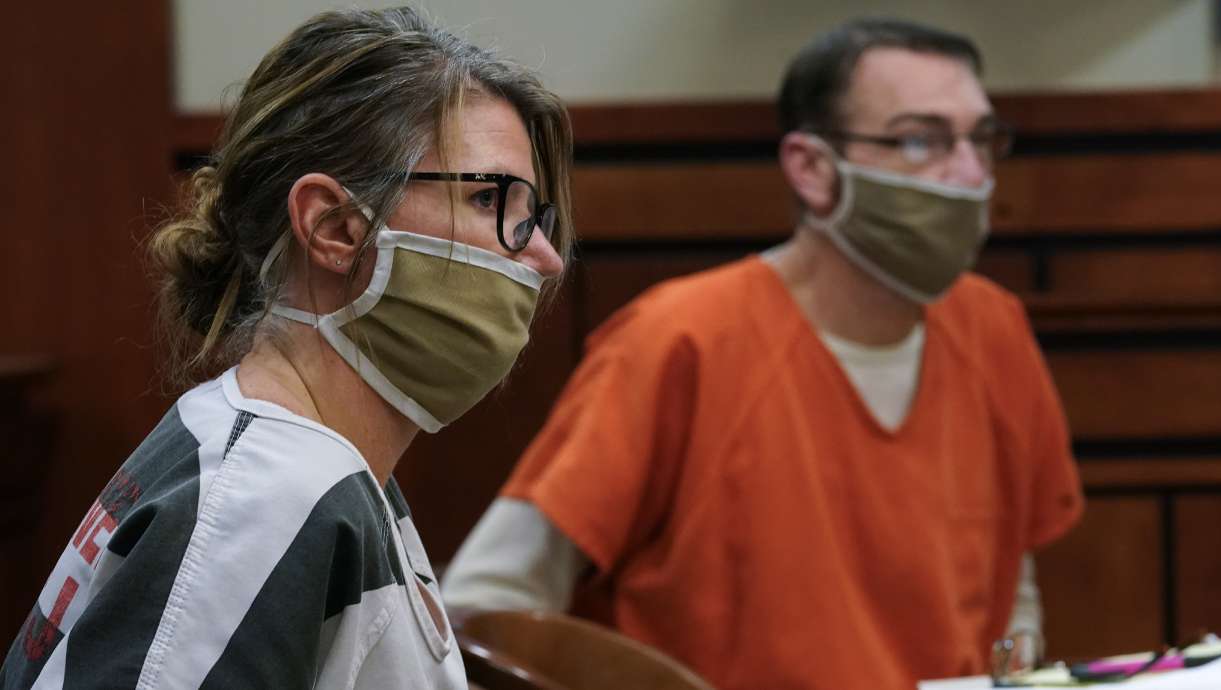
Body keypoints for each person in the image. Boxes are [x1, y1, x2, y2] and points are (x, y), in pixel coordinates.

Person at [442, 17, 1083, 690]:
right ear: (811, 167)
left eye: (981, 139)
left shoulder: (994, 329)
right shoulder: (679, 339)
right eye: (920, 140)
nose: (969, 173)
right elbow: (487, 607)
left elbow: (1016, 580)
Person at [0, 7, 572, 689]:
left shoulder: (307, 464)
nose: (544, 256)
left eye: (534, 216)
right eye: (490, 199)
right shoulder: (268, 498)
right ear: (333, 227)